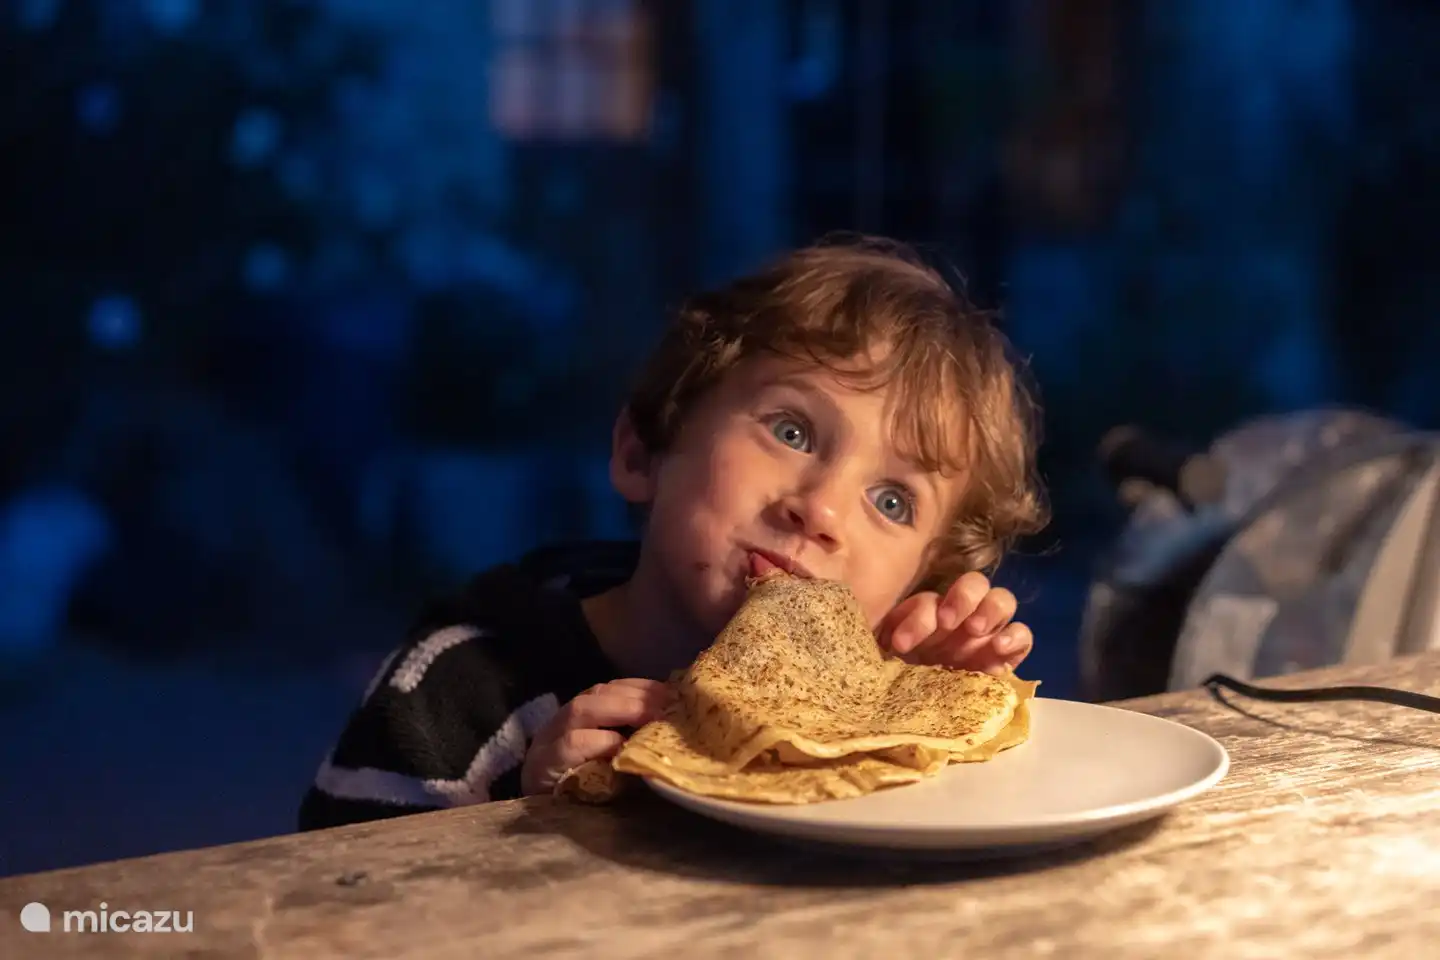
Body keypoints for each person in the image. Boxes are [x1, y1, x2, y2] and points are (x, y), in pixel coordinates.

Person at [298, 235, 1048, 830]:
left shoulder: (871, 729)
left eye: (891, 502)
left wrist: (921, 731)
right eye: (790, 430)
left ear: (917, 587)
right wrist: (525, 826)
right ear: (643, 451)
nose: (820, 511)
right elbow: (334, 909)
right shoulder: (449, 695)